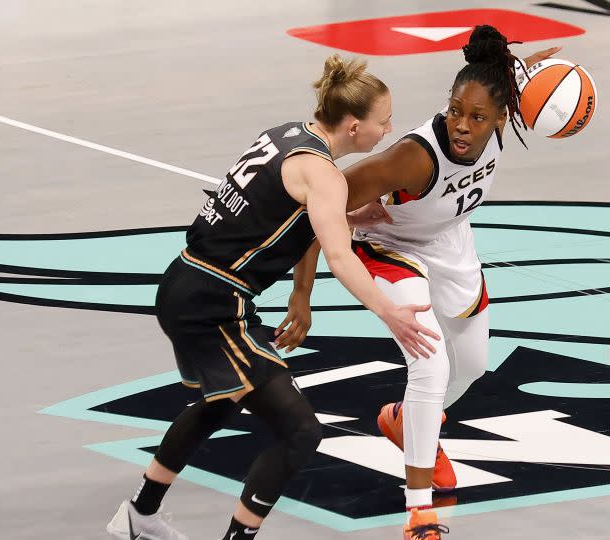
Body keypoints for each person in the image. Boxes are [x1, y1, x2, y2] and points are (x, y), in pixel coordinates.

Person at [105, 54, 440, 540]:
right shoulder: (324, 176)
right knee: (300, 432)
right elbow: (342, 259)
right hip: (214, 305)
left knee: (216, 403)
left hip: (184, 280)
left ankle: (139, 513)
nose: (388, 131)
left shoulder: (284, 135)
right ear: (352, 127)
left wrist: (343, 221)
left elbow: (274, 213)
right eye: (383, 122)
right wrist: (390, 312)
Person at [340, 26, 561, 539]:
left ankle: (403, 421)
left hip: (448, 243)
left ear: (502, 117)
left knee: (473, 368)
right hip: (389, 246)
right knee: (430, 363)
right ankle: (419, 512)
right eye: (454, 110)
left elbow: (519, 82)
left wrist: (544, 75)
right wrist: (307, 284)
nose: (462, 124)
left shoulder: (503, 112)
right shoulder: (412, 158)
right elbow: (327, 196)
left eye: (477, 117)